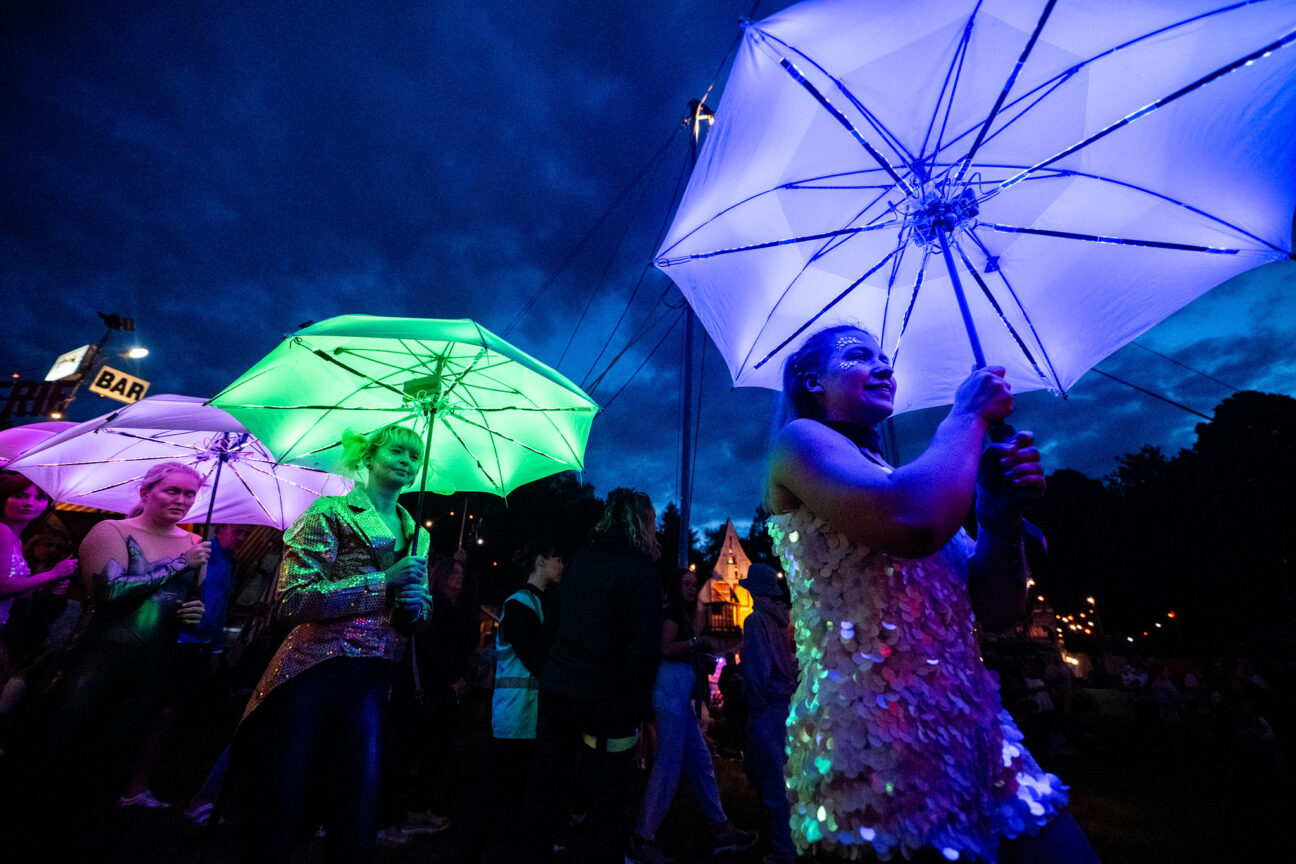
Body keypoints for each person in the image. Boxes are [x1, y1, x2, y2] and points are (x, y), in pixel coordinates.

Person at [764, 325, 1100, 863]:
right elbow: (912, 518)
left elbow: (997, 608)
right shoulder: (800, 442)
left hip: (979, 737)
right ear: (812, 379)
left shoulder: (901, 474)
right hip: (879, 752)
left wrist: (998, 507)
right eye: (857, 357)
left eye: (885, 358)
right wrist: (967, 416)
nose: (882, 367)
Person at [234, 424, 433, 864]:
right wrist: (384, 581)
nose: (407, 461)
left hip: (373, 679)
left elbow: (416, 614)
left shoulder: (419, 534)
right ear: (368, 456)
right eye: (398, 451)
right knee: (286, 795)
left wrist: (417, 606)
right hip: (313, 672)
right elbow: (292, 600)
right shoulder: (329, 512)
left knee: (356, 799)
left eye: (415, 457)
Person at [6, 462, 208, 852]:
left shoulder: (193, 544)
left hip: (150, 665)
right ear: (145, 492)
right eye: (172, 491)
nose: (181, 500)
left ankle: (80, 840)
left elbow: (181, 603)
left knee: (111, 759)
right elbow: (110, 593)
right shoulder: (111, 531)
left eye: (189, 493)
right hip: (94, 661)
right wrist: (182, 564)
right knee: (60, 752)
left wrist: (191, 614)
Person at [520, 488, 663, 864]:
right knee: (610, 802)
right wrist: (636, 708)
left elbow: (550, 629)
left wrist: (551, 673)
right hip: (608, 705)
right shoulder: (640, 572)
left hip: (559, 696)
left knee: (546, 793)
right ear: (644, 523)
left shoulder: (579, 562)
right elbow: (643, 649)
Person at [120, 522, 253, 809]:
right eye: (238, 531)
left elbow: (220, 606)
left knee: (175, 713)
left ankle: (147, 779)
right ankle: (132, 784)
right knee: (161, 711)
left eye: (246, 533)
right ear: (221, 528)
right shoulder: (198, 552)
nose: (242, 537)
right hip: (178, 641)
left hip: (201, 646)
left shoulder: (231, 562)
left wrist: (216, 649)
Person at [629, 567, 757, 864]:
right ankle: (642, 837)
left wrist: (700, 658)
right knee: (668, 765)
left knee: (700, 761)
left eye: (693, 584)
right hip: (670, 692)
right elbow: (665, 648)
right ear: (675, 587)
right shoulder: (672, 613)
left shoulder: (684, 614)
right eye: (686, 584)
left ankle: (721, 827)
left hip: (679, 695)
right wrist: (696, 645)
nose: (691, 588)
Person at [456, 537, 564, 860]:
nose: (562, 566)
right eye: (558, 559)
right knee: (496, 789)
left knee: (516, 788)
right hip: (515, 717)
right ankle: (470, 847)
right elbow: (536, 658)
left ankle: (520, 844)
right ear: (541, 560)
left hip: (524, 716)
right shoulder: (521, 604)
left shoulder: (535, 602)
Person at [739, 563, 798, 864]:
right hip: (786, 703)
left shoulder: (755, 621)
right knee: (784, 777)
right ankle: (793, 841)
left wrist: (753, 698)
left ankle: (783, 850)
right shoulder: (780, 621)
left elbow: (759, 667)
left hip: (767, 705)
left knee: (771, 781)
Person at [0, 475, 77, 683]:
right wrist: (52, 574)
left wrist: (48, 586)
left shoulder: (15, 539)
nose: (29, 503)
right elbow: (3, 587)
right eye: (20, 496)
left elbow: (17, 594)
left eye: (40, 497)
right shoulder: (3, 531)